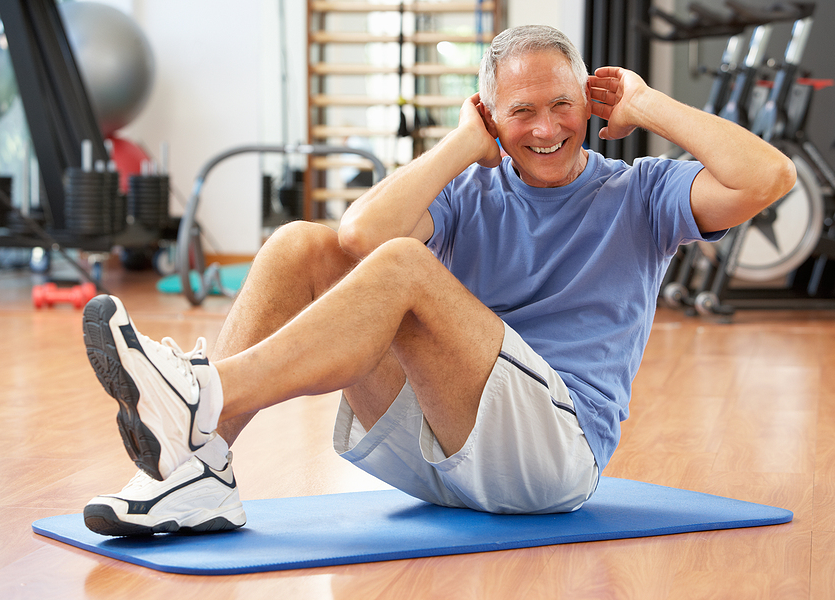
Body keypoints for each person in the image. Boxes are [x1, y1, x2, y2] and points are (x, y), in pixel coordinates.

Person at [81, 25, 796, 536]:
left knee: (403, 267)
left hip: (551, 459)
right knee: (302, 245)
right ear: (493, 116)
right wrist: (463, 143)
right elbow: (358, 235)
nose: (545, 127)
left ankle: (199, 393)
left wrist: (646, 106)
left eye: (561, 105)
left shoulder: (644, 193)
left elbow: (770, 178)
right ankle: (197, 472)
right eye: (521, 111)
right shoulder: (470, 189)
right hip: (436, 455)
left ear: (590, 103)